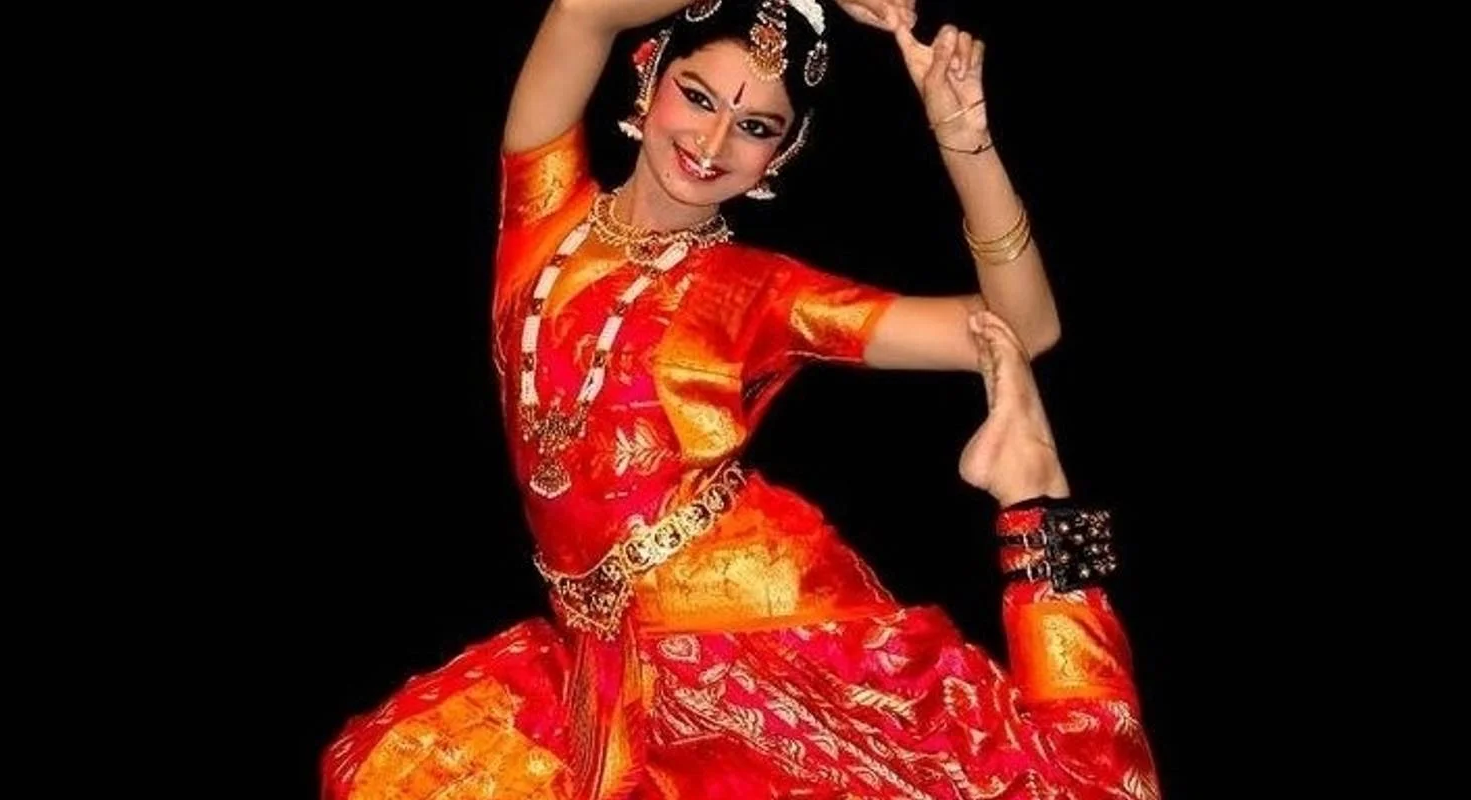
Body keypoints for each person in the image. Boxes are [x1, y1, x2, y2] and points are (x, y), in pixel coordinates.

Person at [321, 0, 1159, 797]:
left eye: (756, 127)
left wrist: (963, 141)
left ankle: (1035, 495)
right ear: (648, 76)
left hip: (750, 624)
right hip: (596, 658)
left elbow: (1024, 327)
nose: (714, 141)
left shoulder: (759, 292)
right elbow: (581, 12)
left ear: (780, 157)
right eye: (698, 97)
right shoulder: (541, 208)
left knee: (1064, 787)